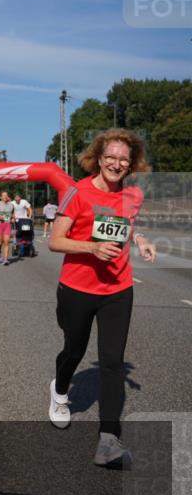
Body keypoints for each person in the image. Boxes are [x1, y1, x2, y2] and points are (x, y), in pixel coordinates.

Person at [47, 129, 155, 468]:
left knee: (112, 362)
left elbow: (126, 224)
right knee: (74, 350)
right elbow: (55, 241)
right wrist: (92, 248)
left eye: (123, 159)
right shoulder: (77, 192)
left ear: (131, 164)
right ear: (98, 157)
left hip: (117, 289)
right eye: (110, 157)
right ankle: (60, 391)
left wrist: (140, 240)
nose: (116, 164)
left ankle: (108, 441)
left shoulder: (133, 194)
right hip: (77, 288)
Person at [0, 191, 15, 265]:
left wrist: (13, 218)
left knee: (6, 242)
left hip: (7, 225)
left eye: (6, 195)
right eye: (3, 195)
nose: (5, 197)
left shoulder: (11, 205)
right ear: (1, 197)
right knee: (0, 243)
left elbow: (13, 213)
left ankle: (5, 259)